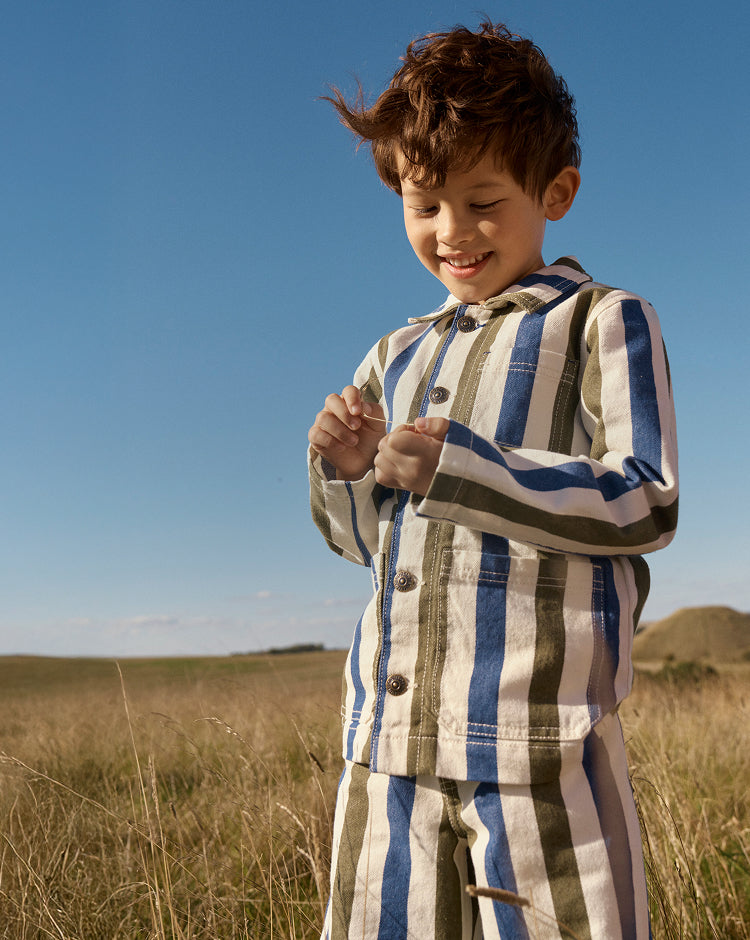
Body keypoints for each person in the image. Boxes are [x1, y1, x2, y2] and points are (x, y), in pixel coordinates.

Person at [307, 20, 678, 940]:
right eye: (424, 204)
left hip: (539, 747)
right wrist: (348, 473)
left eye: (482, 202)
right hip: (386, 751)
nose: (452, 234)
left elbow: (645, 496)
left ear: (555, 192)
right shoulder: (393, 353)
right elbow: (365, 543)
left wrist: (462, 466)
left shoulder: (603, 320)